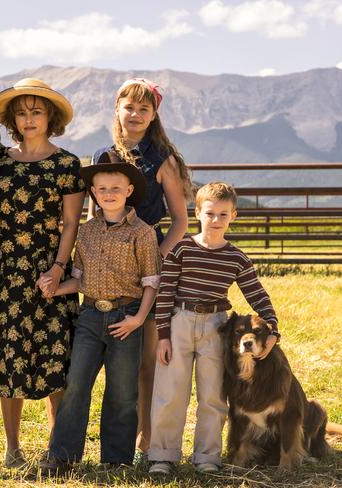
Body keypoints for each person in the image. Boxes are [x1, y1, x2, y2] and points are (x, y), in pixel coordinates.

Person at [0, 78, 86, 468]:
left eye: (36, 111)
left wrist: (59, 268)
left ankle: (57, 450)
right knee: (11, 359)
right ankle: (13, 449)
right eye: (21, 112)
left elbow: (71, 223)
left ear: (50, 116)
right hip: (5, 271)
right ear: (12, 119)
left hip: (48, 270)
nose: (28, 118)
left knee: (56, 357)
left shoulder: (67, 164)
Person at [91, 78, 192, 464]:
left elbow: (180, 221)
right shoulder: (103, 155)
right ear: (117, 109)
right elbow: (94, 213)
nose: (135, 115)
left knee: (147, 359)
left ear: (154, 115)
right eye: (128, 107)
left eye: (143, 109)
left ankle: (148, 438)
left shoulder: (163, 158)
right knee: (114, 355)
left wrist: (157, 259)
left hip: (148, 265)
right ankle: (122, 432)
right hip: (107, 267)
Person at [148, 182, 280, 476]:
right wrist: (164, 336)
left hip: (217, 326)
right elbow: (165, 293)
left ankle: (207, 456)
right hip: (180, 321)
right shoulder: (181, 249)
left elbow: (257, 294)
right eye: (210, 213)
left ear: (234, 216)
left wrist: (272, 327)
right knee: (170, 392)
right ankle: (162, 455)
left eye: (223, 214)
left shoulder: (236, 257)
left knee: (213, 395)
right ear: (198, 213)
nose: (216, 220)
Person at [39, 154, 161, 471]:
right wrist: (54, 287)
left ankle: (116, 460)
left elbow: (151, 282)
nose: (109, 193)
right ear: (93, 192)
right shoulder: (87, 231)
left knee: (122, 391)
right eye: (102, 188)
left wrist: (138, 319)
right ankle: (63, 455)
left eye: (116, 188)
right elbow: (79, 279)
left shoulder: (142, 233)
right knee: (76, 384)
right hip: (90, 316)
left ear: (129, 190)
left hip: (127, 316)